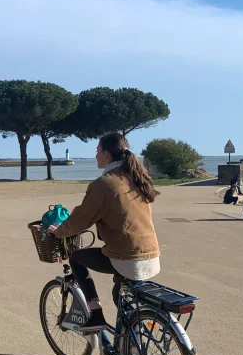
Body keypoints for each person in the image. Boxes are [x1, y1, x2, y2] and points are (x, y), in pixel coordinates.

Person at [47, 133, 160, 330]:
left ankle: (96, 313)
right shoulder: (137, 178)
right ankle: (131, 346)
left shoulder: (104, 184)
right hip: (151, 255)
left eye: (97, 151)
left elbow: (79, 220)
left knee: (75, 258)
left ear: (106, 154)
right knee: (120, 295)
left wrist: (58, 232)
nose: (95, 155)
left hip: (127, 258)